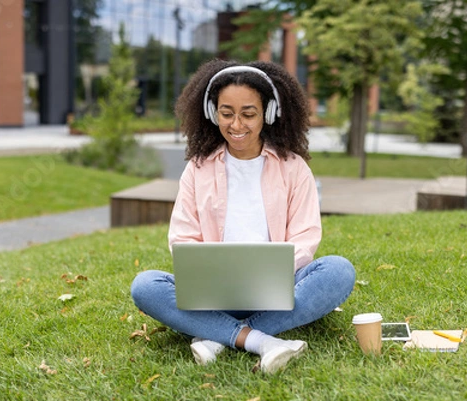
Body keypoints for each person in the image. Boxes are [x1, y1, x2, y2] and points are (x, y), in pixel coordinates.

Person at [131, 59, 356, 374]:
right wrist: (211, 271)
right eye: (226, 113)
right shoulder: (197, 169)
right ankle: (263, 341)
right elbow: (182, 239)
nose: (236, 125)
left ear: (269, 113)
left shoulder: (294, 168)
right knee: (145, 286)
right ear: (212, 114)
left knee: (338, 271)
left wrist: (268, 271)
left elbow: (305, 238)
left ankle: (216, 335)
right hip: (213, 294)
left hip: (276, 291)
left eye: (248, 114)